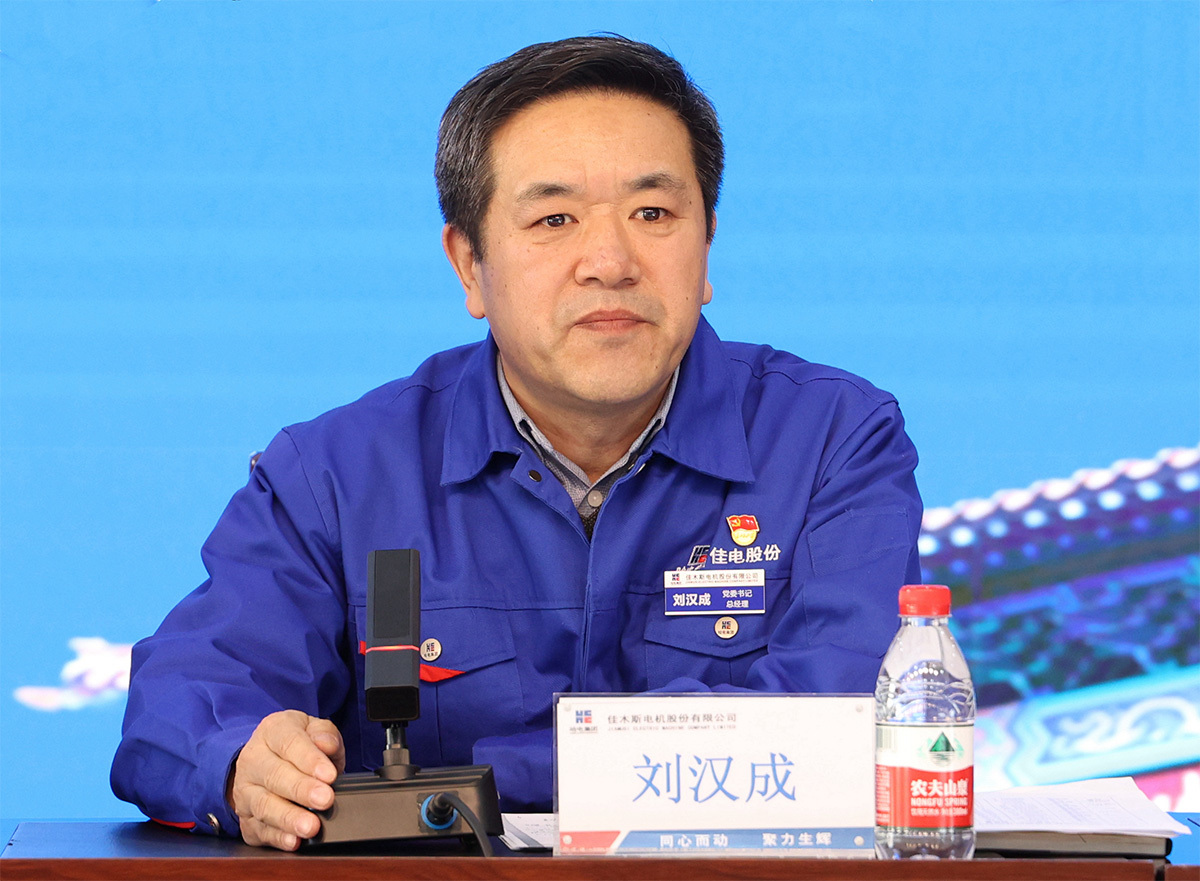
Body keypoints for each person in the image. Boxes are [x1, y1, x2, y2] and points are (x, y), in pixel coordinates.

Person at [111, 35, 922, 852]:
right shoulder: (337, 477)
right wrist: (242, 764)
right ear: (469, 264)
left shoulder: (833, 441)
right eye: (554, 219)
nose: (609, 261)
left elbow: (851, 717)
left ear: (707, 243)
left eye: (652, 213)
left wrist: (475, 779)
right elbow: (176, 707)